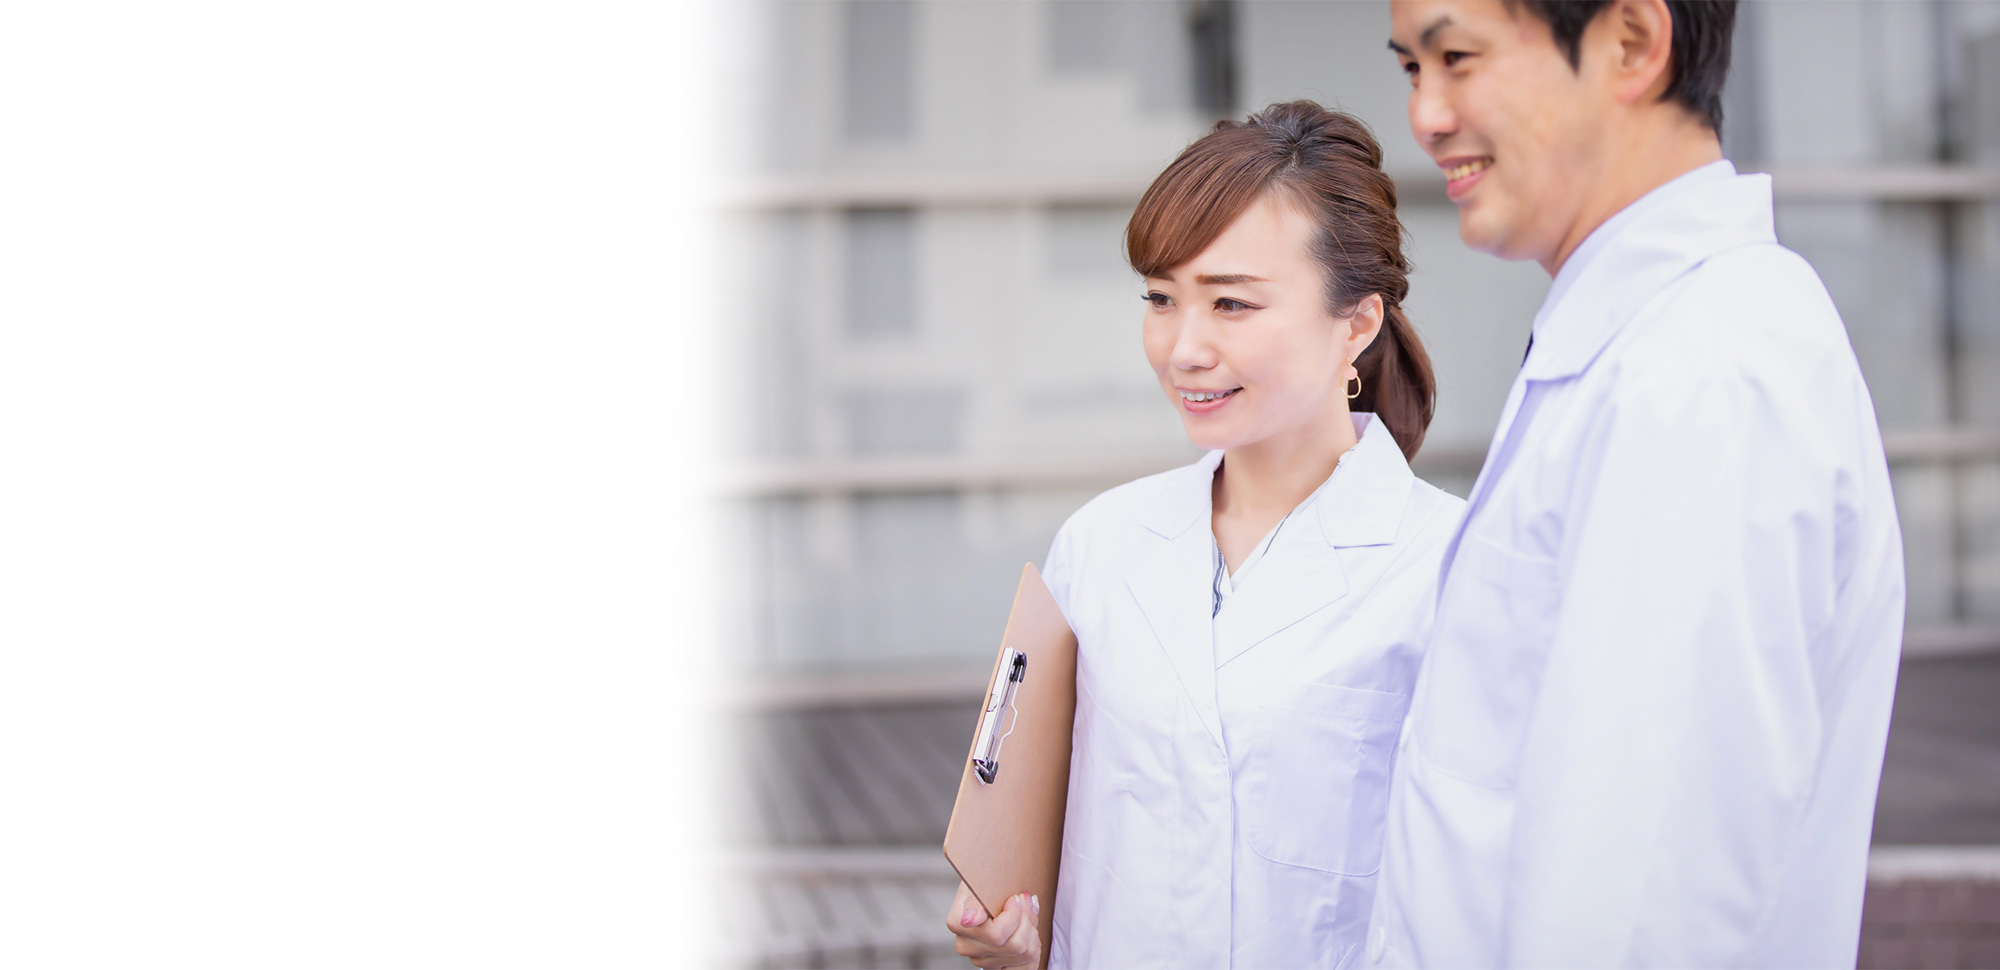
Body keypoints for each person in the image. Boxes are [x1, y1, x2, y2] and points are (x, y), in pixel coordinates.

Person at [1366, 1, 1906, 967]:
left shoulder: (1703, 378)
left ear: (1631, 43)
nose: (1426, 116)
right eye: (1413, 68)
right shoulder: (1652, 342)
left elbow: (1641, 908)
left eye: (1458, 58)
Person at [945, 101, 1465, 969]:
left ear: (1357, 323)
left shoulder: (1451, 566)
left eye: (1231, 303)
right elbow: (1059, 859)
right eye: (1161, 298)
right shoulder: (1101, 546)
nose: (1183, 348)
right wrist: (1016, 941)